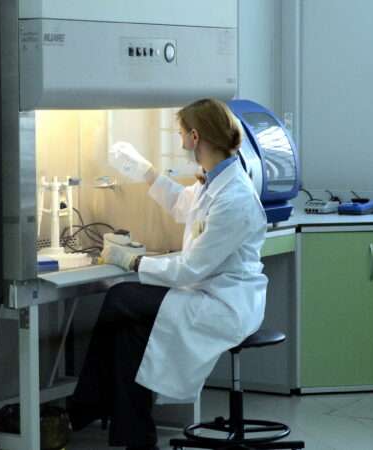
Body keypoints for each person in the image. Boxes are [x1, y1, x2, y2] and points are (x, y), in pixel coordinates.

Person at [67, 98, 269, 450]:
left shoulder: (234, 198)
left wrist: (133, 262)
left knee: (121, 297)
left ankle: (86, 404)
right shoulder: (215, 181)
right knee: (129, 328)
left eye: (180, 134)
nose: (178, 142)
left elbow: (190, 268)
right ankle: (136, 437)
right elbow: (182, 204)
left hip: (225, 304)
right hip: (206, 291)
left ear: (194, 136)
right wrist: (145, 171)